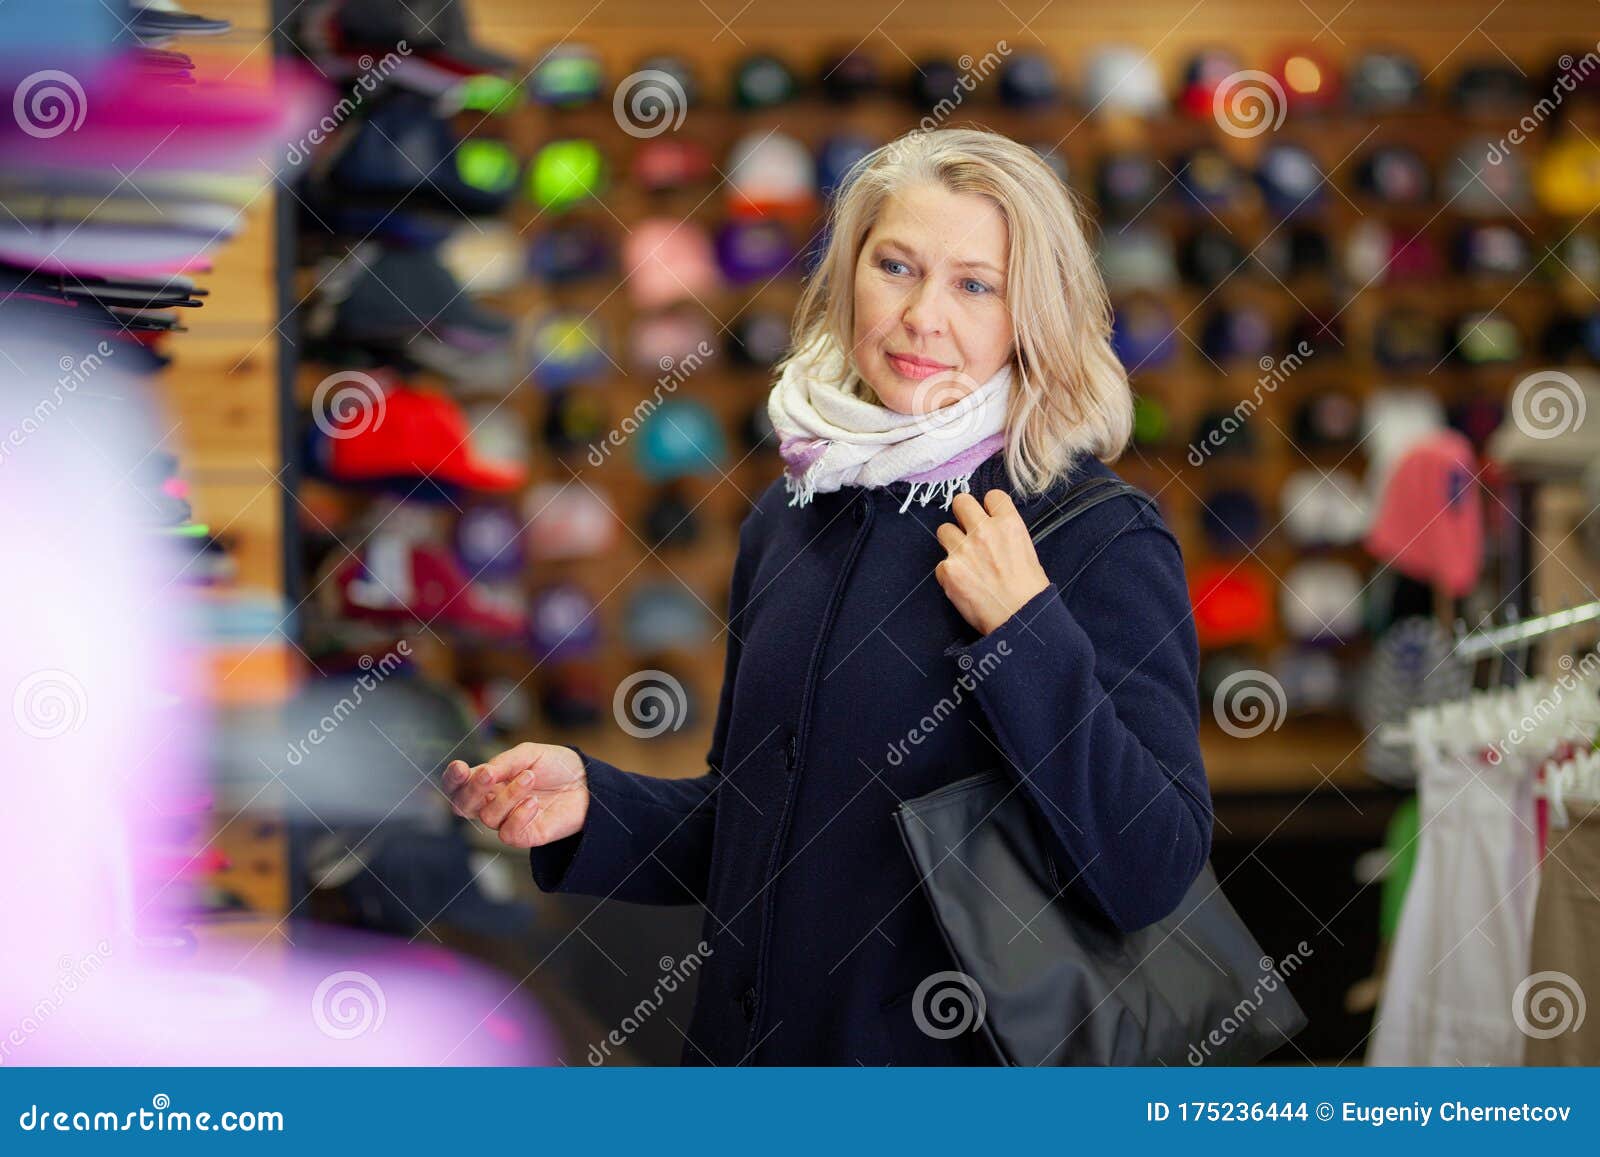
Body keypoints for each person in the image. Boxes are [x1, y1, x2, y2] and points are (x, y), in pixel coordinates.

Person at [445, 127, 1212, 1065]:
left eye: (975, 284)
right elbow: (758, 822)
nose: (924, 315)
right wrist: (596, 805)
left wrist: (1028, 630)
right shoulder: (796, 509)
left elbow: (1151, 867)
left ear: (1033, 313)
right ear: (850, 275)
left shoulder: (1095, 534)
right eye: (896, 266)